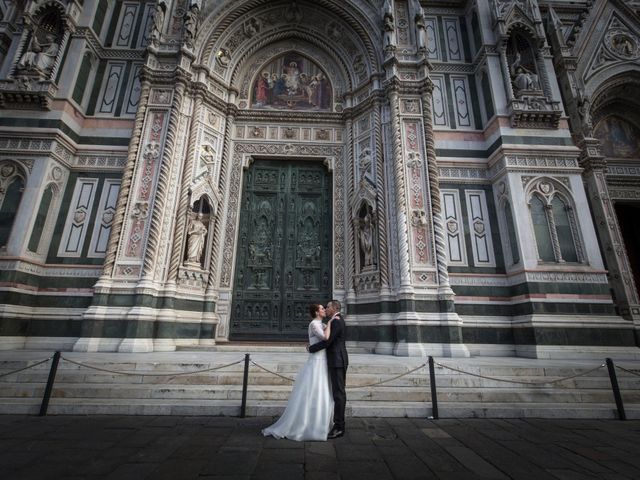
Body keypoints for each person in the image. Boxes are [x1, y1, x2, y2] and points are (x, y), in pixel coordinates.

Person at [262, 304, 334, 441]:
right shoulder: (314, 324)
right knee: (313, 389)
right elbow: (325, 338)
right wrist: (330, 323)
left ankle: (319, 422)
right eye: (322, 309)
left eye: (324, 308)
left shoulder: (320, 323)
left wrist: (327, 325)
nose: (324, 310)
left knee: (321, 390)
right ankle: (306, 424)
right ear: (316, 312)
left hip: (322, 360)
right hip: (317, 361)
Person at [308, 299, 348, 439]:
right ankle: (336, 423)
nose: (326, 308)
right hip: (336, 360)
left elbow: (328, 341)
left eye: (328, 307)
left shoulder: (336, 321)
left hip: (337, 360)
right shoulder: (334, 320)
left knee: (338, 394)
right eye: (324, 308)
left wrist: (311, 348)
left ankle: (339, 427)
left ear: (334, 308)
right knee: (337, 393)